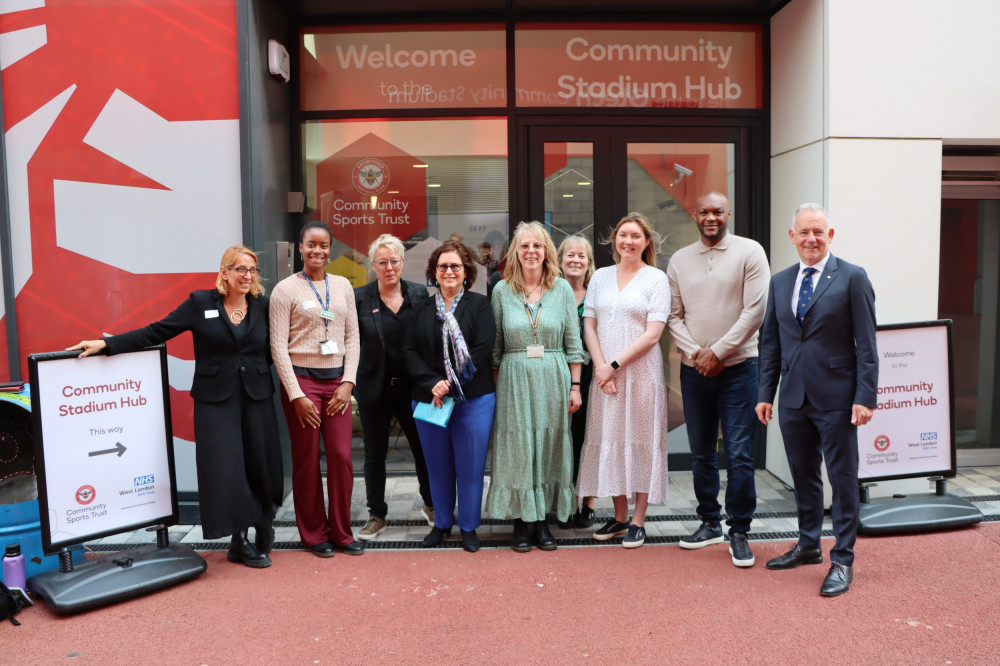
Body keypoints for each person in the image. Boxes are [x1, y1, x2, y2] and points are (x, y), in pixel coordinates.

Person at [68, 247, 283, 568]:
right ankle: (239, 541)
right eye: (240, 269)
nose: (247, 276)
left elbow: (275, 348)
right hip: (216, 399)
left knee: (259, 462)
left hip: (256, 395)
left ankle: (263, 519)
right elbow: (157, 330)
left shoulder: (263, 305)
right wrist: (107, 344)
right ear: (224, 271)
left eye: (252, 270)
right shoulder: (201, 303)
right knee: (228, 468)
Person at [755, 203, 877, 597]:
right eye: (804, 232)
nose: (811, 239)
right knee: (803, 476)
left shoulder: (853, 278)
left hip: (839, 398)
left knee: (841, 479)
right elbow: (770, 343)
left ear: (830, 235)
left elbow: (867, 346)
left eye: (818, 232)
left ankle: (842, 559)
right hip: (793, 398)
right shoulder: (780, 281)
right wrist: (765, 393)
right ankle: (809, 545)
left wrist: (865, 397)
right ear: (792, 236)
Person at [667, 192, 769, 568]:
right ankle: (709, 522)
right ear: (695, 215)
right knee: (701, 452)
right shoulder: (679, 260)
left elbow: (754, 310)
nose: (711, 217)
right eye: (704, 211)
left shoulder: (750, 252)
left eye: (718, 211)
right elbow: (673, 315)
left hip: (739, 369)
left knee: (740, 453)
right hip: (695, 372)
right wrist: (698, 354)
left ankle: (739, 530)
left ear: (729, 213)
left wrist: (719, 352)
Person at [486, 222, 584, 552]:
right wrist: (499, 389)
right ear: (515, 251)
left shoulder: (562, 290)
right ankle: (520, 522)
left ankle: (541, 521)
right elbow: (496, 346)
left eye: (537, 246)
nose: (531, 251)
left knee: (548, 443)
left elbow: (574, 341)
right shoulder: (501, 290)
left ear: (546, 252)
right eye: (524, 245)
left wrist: (575, 387)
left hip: (554, 376)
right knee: (517, 447)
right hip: (514, 376)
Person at [577, 212, 670, 549]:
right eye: (623, 235)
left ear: (647, 243)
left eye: (636, 236)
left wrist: (612, 365)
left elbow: (653, 334)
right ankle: (618, 516)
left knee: (642, 438)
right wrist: (601, 368)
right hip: (606, 377)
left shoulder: (656, 279)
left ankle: (638, 519)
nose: (628, 241)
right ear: (614, 240)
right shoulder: (600, 277)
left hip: (641, 373)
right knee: (611, 437)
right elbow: (589, 324)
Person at [270, 221, 362, 558]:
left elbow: (352, 337)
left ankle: (342, 532)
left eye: (323, 245)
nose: (317, 251)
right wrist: (295, 395)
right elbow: (278, 347)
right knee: (306, 460)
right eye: (311, 244)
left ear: (330, 248)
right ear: (300, 247)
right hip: (302, 382)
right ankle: (314, 534)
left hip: (337, 383)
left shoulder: (342, 287)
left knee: (340, 457)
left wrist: (348, 382)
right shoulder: (285, 290)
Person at [403, 240, 496, 553]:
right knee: (437, 467)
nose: (449, 271)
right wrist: (434, 383)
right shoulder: (421, 308)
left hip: (473, 399)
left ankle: (469, 526)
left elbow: (484, 348)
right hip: (432, 399)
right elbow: (409, 351)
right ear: (434, 272)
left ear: (466, 272)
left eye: (455, 266)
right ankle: (442, 523)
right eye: (442, 266)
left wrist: (451, 382)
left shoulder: (480, 305)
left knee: (470, 467)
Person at [354, 234, 434, 540]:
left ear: (403, 262)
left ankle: (430, 504)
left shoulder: (418, 295)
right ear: (373, 265)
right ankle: (377, 514)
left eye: (395, 261)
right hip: (375, 388)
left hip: (413, 389)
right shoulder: (360, 297)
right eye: (383, 262)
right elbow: (351, 341)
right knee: (374, 454)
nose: (389, 267)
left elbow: (428, 339)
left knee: (422, 450)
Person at [557, 234, 597, 529]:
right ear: (560, 261)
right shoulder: (551, 293)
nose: (576, 260)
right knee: (564, 439)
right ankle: (565, 501)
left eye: (581, 256)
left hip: (594, 375)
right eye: (570, 255)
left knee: (590, 437)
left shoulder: (598, 294)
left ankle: (588, 503)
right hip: (559, 375)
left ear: (589, 262)